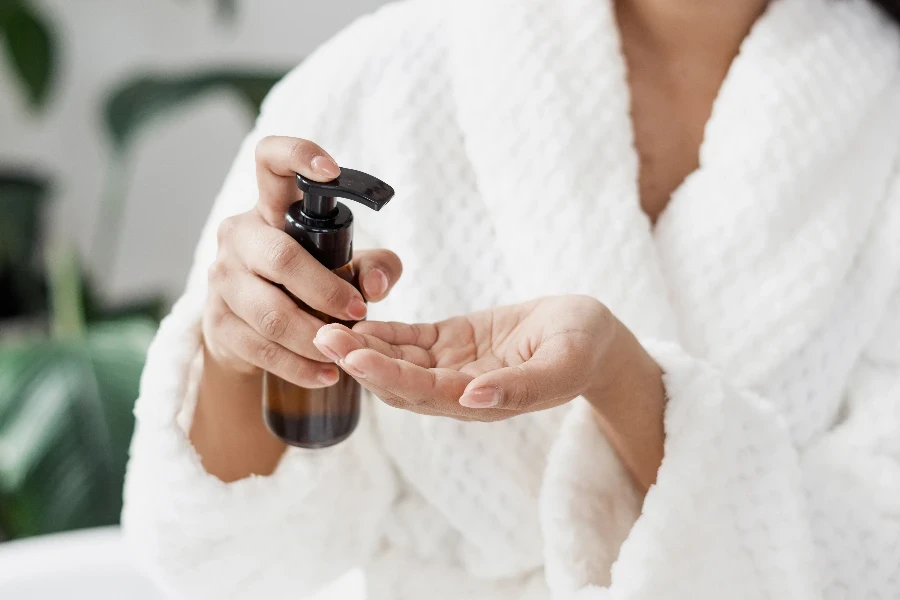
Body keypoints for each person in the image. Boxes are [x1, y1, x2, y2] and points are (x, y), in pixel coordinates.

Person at [121, 0, 900, 598]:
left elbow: (876, 551)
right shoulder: (387, 75)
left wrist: (625, 383)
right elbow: (215, 560)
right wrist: (236, 352)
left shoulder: (878, 115)